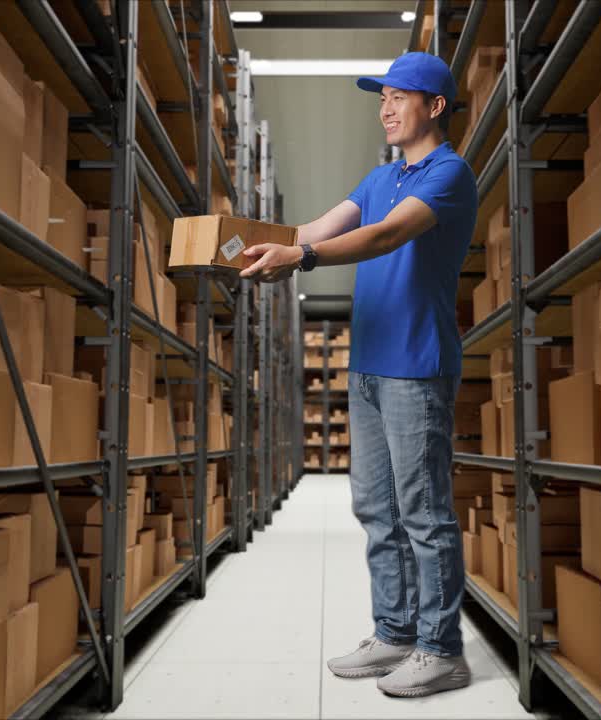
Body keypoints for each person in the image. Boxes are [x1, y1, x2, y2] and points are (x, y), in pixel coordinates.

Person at [240, 52, 477, 698]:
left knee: (423, 512)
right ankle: (395, 632)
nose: (386, 109)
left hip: (416, 364)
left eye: (400, 97)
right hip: (369, 366)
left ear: (435, 106)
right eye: (382, 99)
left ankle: (441, 649)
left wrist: (302, 257)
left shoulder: (449, 174)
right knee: (376, 508)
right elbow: (309, 229)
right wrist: (239, 246)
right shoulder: (378, 178)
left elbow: (384, 238)